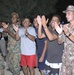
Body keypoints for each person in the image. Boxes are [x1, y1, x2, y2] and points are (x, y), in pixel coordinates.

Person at [54, 5, 74, 75]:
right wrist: (59, 34)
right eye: (66, 14)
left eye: (68, 13)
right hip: (65, 61)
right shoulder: (65, 26)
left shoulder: (67, 29)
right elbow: (59, 42)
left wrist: (68, 33)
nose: (66, 16)